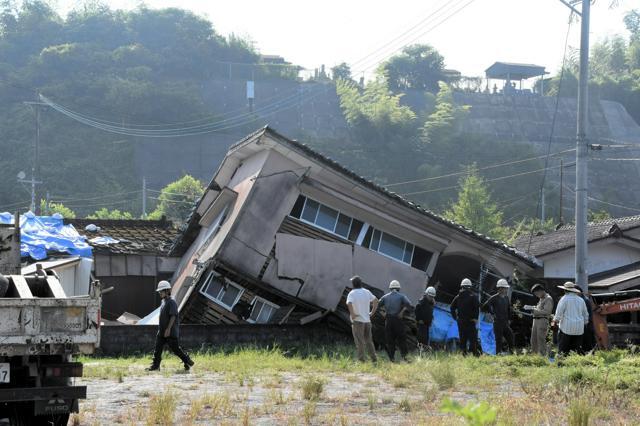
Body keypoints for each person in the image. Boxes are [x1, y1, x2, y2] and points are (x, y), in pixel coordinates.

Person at [147, 280, 194, 372]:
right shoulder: (163, 301)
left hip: (170, 331)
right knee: (157, 349)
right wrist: (162, 329)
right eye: (159, 291)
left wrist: (168, 329)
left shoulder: (172, 302)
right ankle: (155, 366)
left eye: (162, 291)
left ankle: (187, 361)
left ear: (168, 290)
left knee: (176, 349)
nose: (160, 293)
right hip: (161, 331)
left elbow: (173, 316)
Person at [346, 275, 379, 362]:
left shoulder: (352, 293)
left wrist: (352, 314)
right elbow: (376, 301)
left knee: (360, 342)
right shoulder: (367, 292)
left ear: (353, 284)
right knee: (369, 341)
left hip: (358, 321)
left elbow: (349, 303)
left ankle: (361, 360)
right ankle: (374, 359)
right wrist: (372, 312)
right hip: (367, 321)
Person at [378, 280, 412, 362]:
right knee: (402, 340)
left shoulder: (385, 297)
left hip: (388, 320)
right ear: (398, 288)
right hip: (398, 320)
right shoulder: (402, 296)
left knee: (390, 340)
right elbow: (409, 304)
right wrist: (402, 311)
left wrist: (382, 313)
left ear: (390, 288)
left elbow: (376, 304)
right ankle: (405, 358)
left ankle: (391, 359)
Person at [552, 281, 589, 355]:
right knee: (576, 349)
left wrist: (554, 321)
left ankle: (561, 363)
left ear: (565, 290)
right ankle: (576, 363)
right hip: (579, 328)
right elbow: (585, 315)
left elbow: (558, 313)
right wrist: (585, 323)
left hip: (566, 328)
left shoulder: (564, 299)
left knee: (563, 349)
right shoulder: (581, 300)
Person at [482, 279, 514, 355]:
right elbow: (485, 306)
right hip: (497, 323)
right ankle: (498, 355)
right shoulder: (493, 298)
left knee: (510, 336)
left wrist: (509, 319)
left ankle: (512, 353)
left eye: (506, 288)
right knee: (498, 340)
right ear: (500, 288)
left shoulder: (506, 298)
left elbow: (509, 309)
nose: (506, 289)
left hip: (505, 323)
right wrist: (492, 313)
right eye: (505, 288)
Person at [451, 278, 480, 356]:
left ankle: (464, 355)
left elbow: (452, 307)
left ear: (462, 287)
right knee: (473, 339)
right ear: (469, 287)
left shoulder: (458, 296)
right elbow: (477, 308)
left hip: (461, 321)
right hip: (470, 321)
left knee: (462, 339)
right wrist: (475, 318)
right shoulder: (473, 296)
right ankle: (475, 355)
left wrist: (455, 318)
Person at [523, 283, 554, 356]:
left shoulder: (548, 298)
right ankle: (534, 356)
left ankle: (542, 356)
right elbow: (539, 309)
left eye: (537, 293)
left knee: (540, 339)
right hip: (536, 321)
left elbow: (547, 312)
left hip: (542, 321)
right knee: (533, 340)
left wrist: (534, 311)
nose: (536, 295)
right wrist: (531, 307)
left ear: (541, 291)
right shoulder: (541, 298)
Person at [577, 288, 596, 353]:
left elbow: (586, 314)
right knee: (587, 344)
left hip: (587, 325)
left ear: (579, 292)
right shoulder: (584, 299)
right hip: (587, 324)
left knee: (587, 344)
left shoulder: (584, 300)